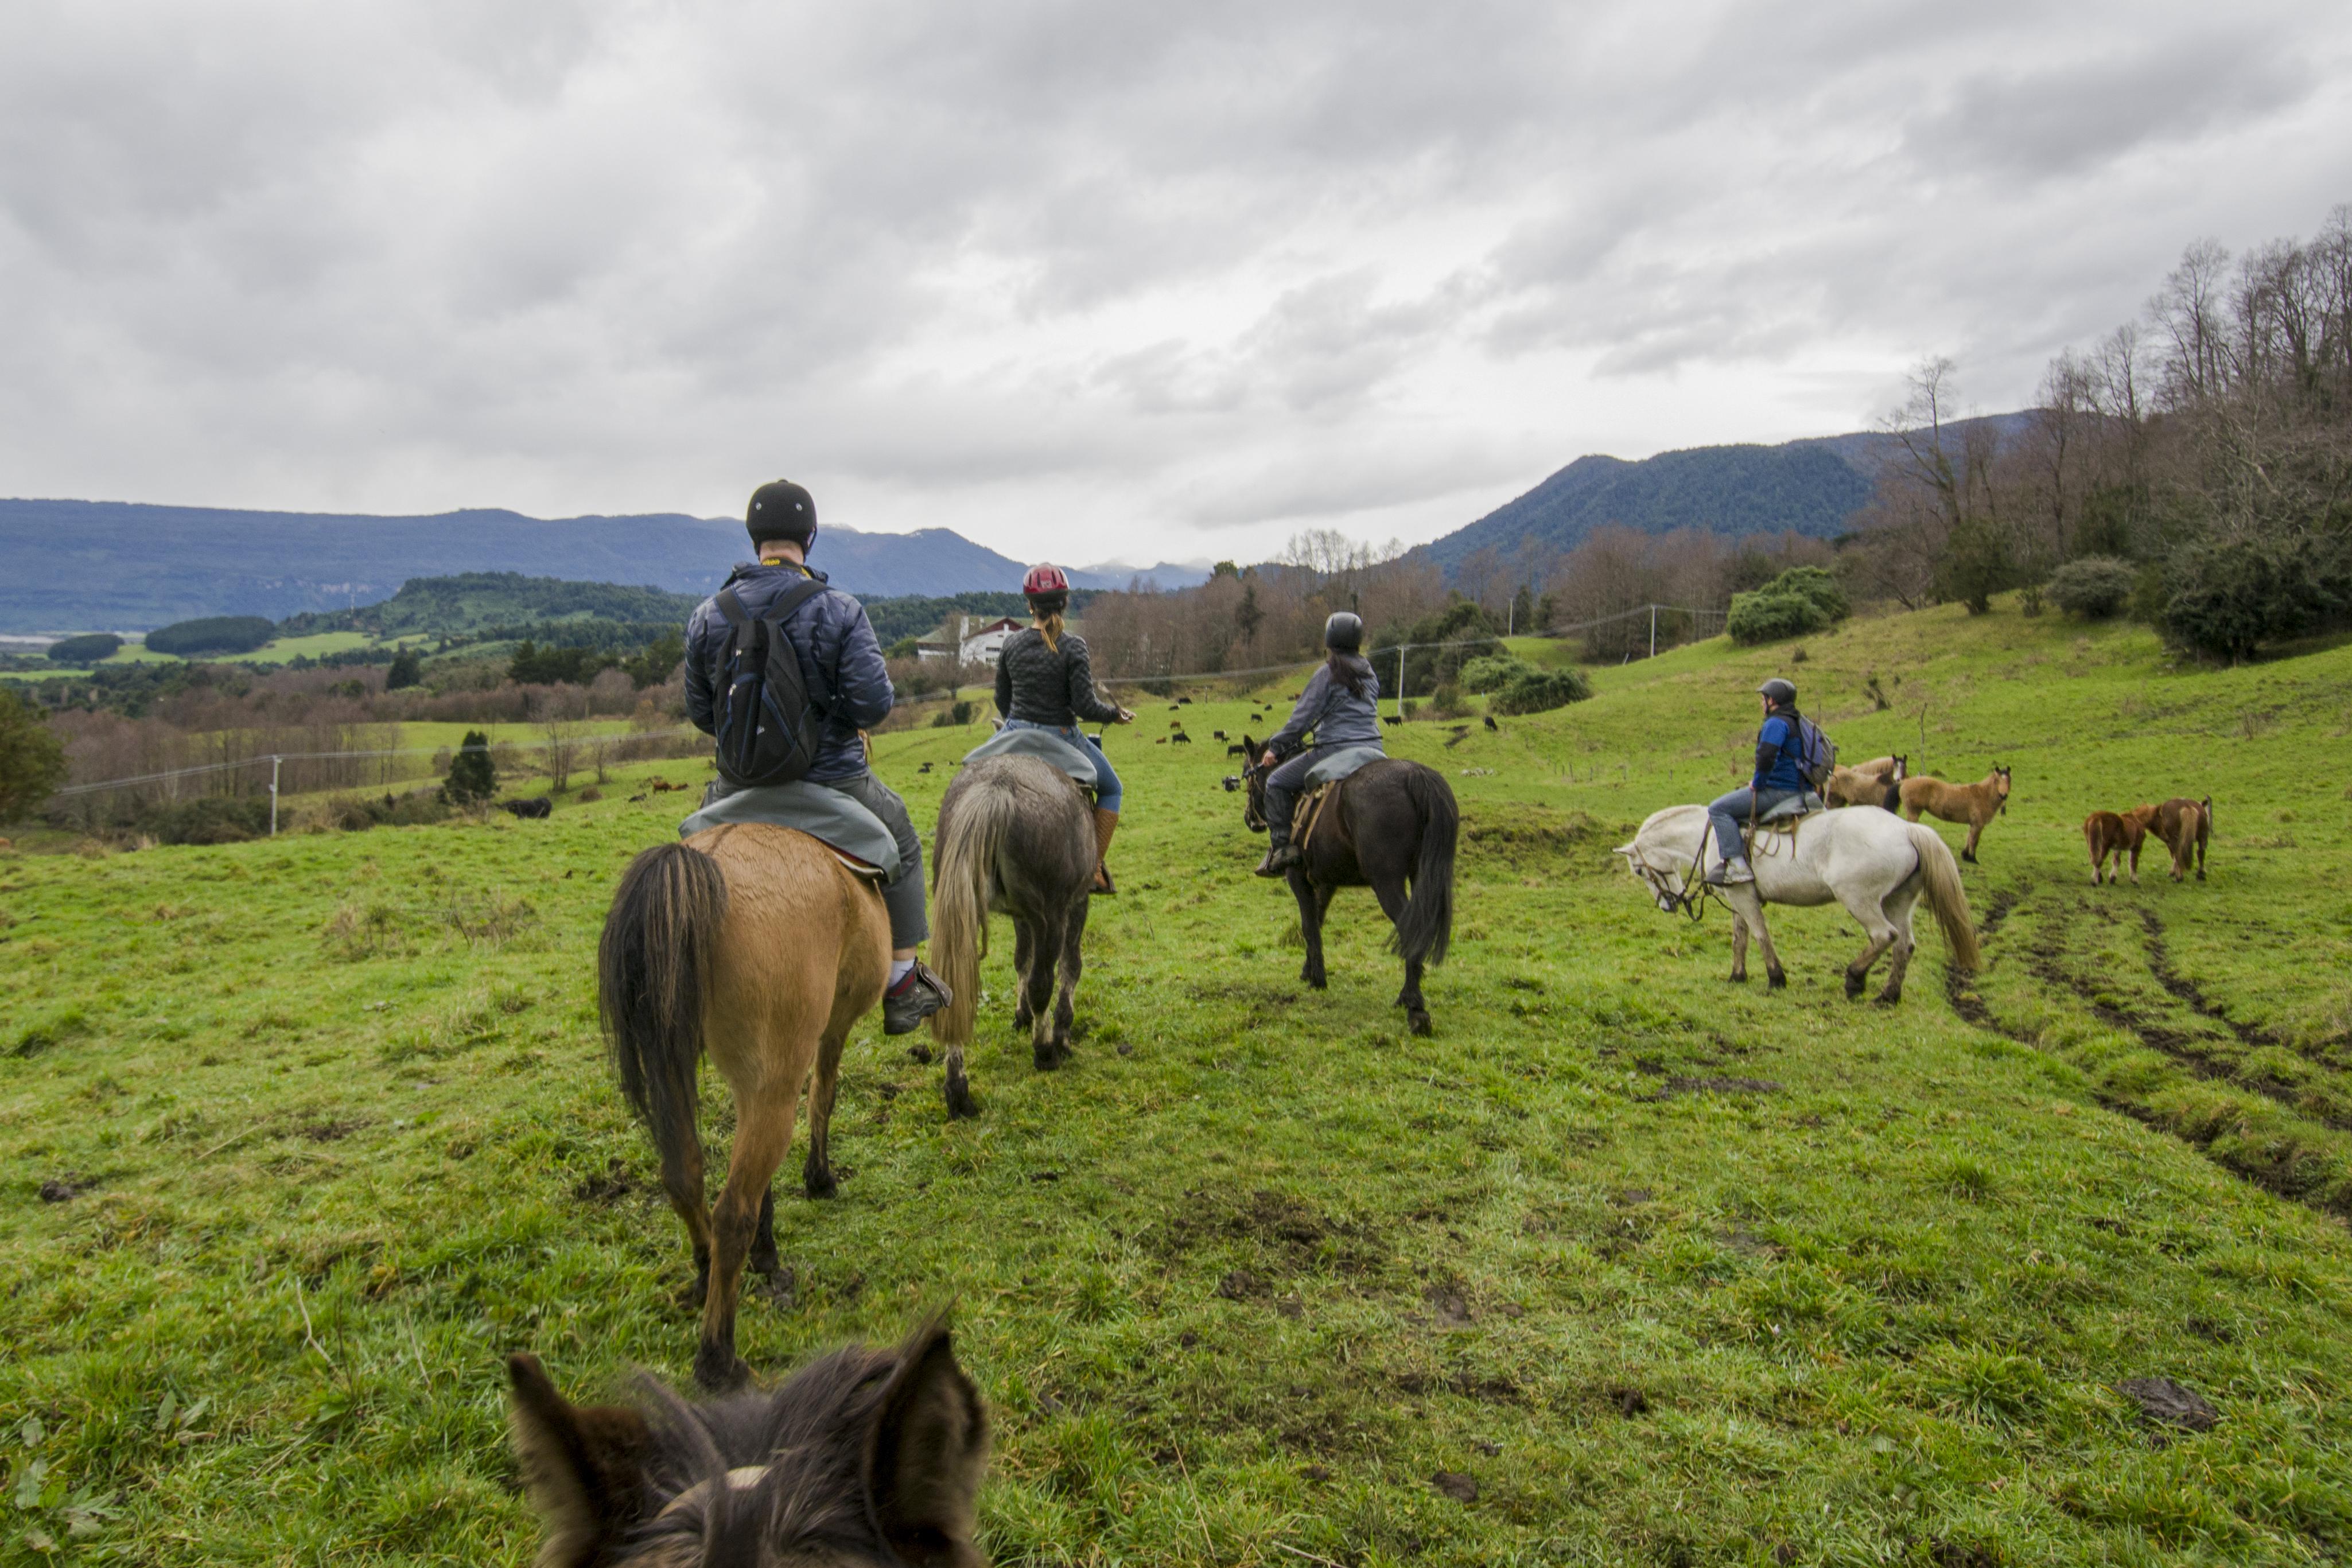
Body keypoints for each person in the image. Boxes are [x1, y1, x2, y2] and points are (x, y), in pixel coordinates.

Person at [683, 479, 950, 1034]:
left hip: (736, 788)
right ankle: (902, 979)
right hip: (833, 781)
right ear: (811, 537)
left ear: (755, 538)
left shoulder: (709, 615)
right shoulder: (840, 609)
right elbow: (874, 705)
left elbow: (702, 714)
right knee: (900, 833)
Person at [992, 565, 1134, 892]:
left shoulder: (1011, 645)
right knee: (1113, 789)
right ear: (1065, 603)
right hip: (1062, 739)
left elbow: (1002, 699)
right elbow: (1085, 707)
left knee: (970, 770)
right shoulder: (1074, 646)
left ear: (1030, 606)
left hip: (1016, 732)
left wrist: (1017, 724)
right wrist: (1114, 715)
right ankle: (1095, 869)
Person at [1254, 611, 1383, 878]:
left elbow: (1301, 719)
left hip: (1336, 749)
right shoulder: (1371, 675)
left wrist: (1275, 748)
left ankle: (1282, 850)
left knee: (1276, 782)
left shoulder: (1327, 674)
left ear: (1329, 643)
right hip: (1374, 750)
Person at [1705, 676, 1811, 885]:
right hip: (1801, 788)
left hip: (1780, 790)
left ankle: (1738, 867)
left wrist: (1758, 783)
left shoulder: (1776, 723)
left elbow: (1767, 756)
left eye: (1764, 699)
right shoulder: (1796, 721)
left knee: (1718, 808)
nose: (1761, 703)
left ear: (1773, 701)